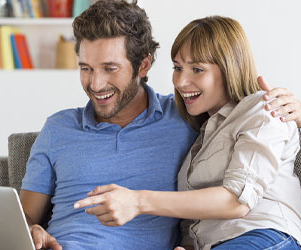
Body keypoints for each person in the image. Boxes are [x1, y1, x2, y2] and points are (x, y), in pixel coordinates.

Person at [20, 1, 301, 249]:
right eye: (86, 68)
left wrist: (296, 114)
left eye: (110, 68)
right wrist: (29, 231)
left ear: (143, 66)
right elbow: (23, 216)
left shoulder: (184, 115)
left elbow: (247, 122)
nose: (95, 84)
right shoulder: (58, 128)